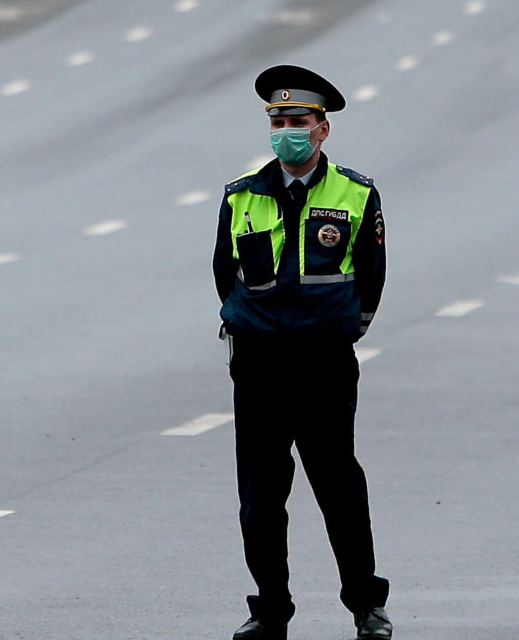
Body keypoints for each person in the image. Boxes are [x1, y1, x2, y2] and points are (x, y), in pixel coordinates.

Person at [213, 65, 391, 640]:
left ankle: (366, 606)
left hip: (322, 360)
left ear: (322, 130)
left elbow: (371, 274)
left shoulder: (356, 193)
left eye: (298, 121)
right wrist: (257, 324)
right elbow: (225, 272)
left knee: (338, 485)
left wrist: (341, 329)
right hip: (260, 362)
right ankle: (269, 610)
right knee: (261, 496)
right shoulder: (241, 196)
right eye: (278, 121)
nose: (287, 131)